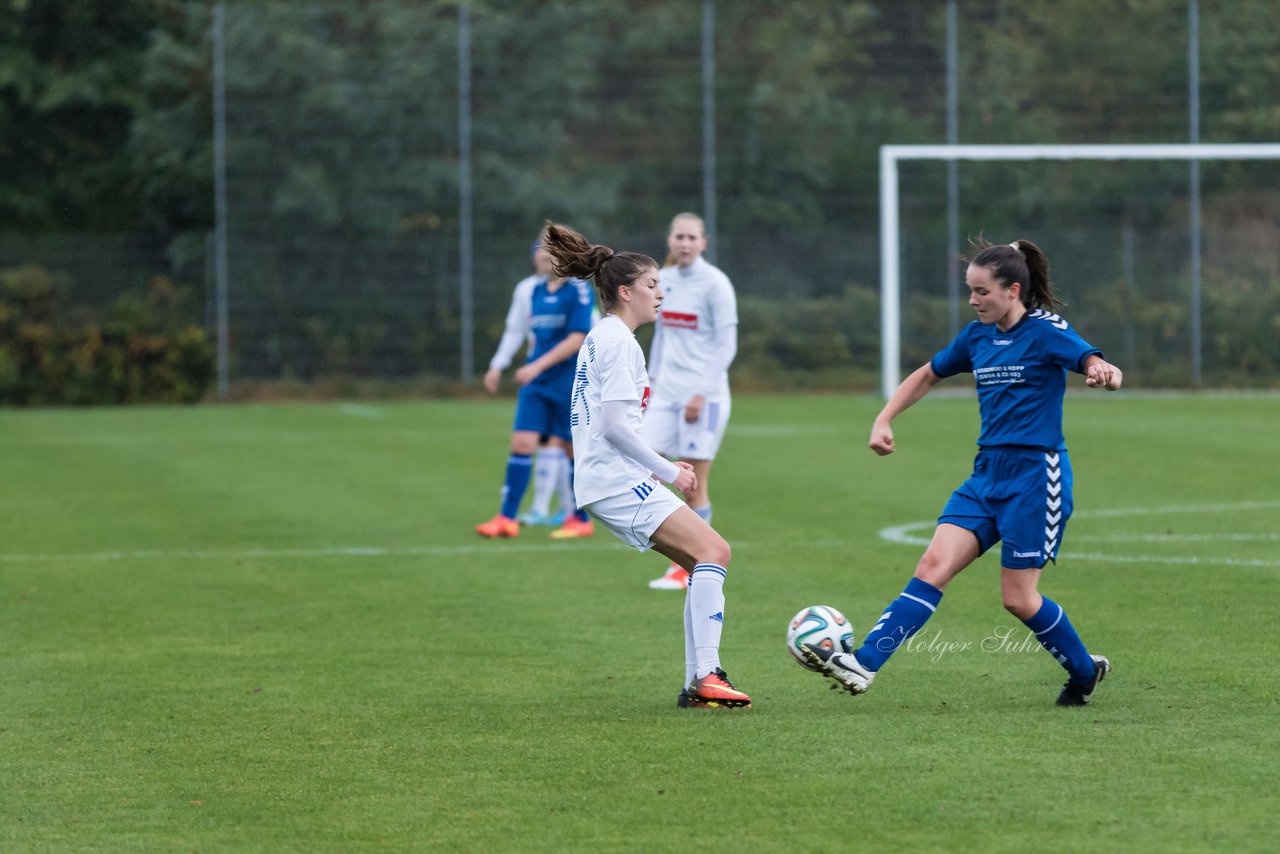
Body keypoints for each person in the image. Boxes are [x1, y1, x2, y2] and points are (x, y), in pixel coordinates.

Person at [803, 238, 1122, 707]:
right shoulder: (976, 338)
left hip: (1036, 480)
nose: (972, 300)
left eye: (981, 292)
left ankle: (1083, 670)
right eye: (969, 291)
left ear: (1012, 290)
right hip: (986, 476)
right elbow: (928, 374)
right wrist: (884, 418)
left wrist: (1104, 372)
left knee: (1017, 598)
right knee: (932, 566)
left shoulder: (1047, 330)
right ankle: (865, 663)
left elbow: (1094, 361)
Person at [541, 220, 752, 709]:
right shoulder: (619, 342)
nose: (662, 294)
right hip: (615, 481)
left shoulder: (607, 335)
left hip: (609, 479)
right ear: (625, 291)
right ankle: (706, 676)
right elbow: (613, 427)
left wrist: (658, 462)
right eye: (653, 285)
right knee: (714, 552)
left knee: (704, 562)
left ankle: (699, 683)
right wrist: (667, 470)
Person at [476, 233, 596, 540]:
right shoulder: (534, 291)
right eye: (541, 250)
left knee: (572, 449)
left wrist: (536, 365)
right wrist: (499, 364)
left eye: (551, 250)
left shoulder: (578, 291)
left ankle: (579, 519)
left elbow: (577, 338)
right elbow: (518, 331)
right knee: (522, 444)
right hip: (537, 383)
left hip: (570, 381)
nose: (544, 255)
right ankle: (506, 518)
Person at [642, 212, 739, 591]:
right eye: (678, 236)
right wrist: (649, 384)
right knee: (643, 464)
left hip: (706, 396)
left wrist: (701, 391)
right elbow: (663, 337)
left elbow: (726, 343)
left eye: (691, 237)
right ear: (670, 240)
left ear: (703, 242)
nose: (684, 243)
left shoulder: (715, 284)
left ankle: (695, 566)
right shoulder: (664, 282)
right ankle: (682, 559)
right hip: (666, 393)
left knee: (694, 485)